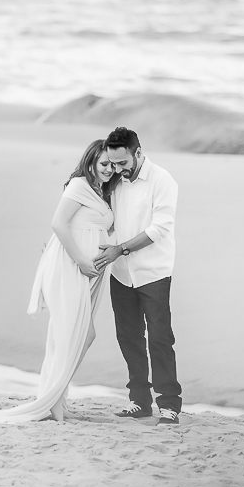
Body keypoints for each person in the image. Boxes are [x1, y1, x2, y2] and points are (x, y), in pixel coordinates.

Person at [0, 140, 119, 423]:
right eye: (103, 164)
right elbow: (58, 223)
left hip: (90, 272)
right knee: (75, 334)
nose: (109, 169)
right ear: (91, 161)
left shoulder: (103, 191)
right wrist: (80, 259)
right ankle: (52, 402)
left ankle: (57, 398)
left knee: (72, 336)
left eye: (112, 165)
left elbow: (100, 226)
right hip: (71, 266)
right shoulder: (79, 185)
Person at [93, 127, 182, 425]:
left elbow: (160, 229)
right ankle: (139, 401)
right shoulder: (114, 180)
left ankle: (169, 405)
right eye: (113, 163)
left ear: (139, 153)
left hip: (153, 272)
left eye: (123, 163)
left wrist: (120, 249)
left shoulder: (163, 180)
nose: (117, 169)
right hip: (120, 274)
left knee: (159, 338)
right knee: (128, 337)